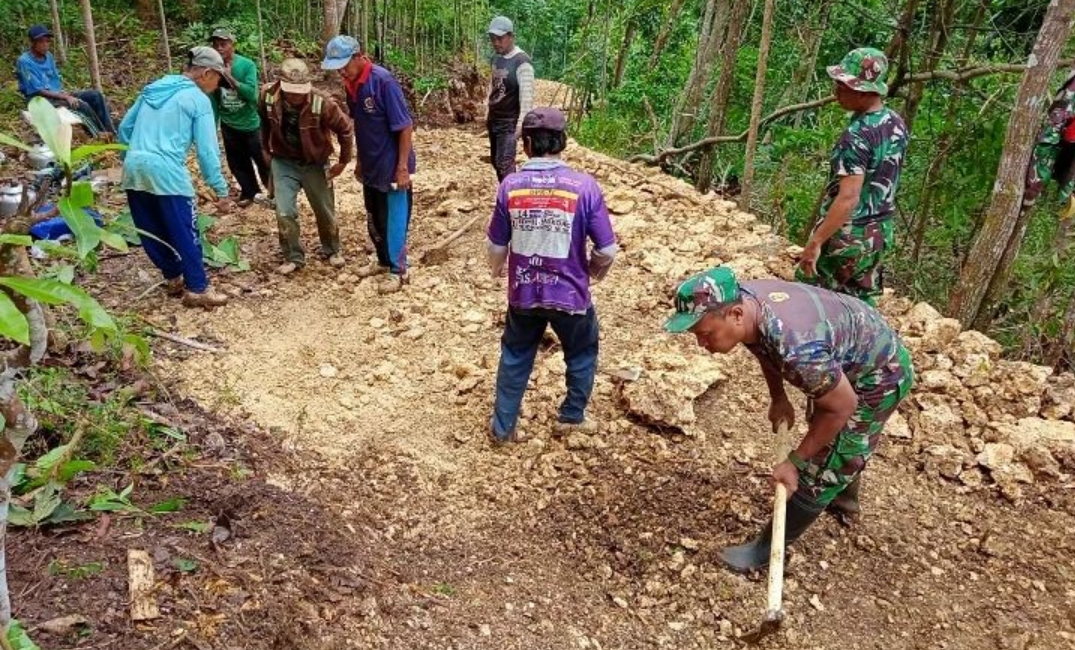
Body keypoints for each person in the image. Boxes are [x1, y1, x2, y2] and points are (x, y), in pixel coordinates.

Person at [664, 267, 914, 572]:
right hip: (846, 352)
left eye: (705, 334)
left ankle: (765, 550)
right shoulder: (746, 304)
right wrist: (779, 398)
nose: (701, 344)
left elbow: (842, 407)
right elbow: (764, 348)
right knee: (830, 431)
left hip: (879, 375)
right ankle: (843, 497)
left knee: (829, 454)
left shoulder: (797, 347)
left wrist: (795, 462)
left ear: (736, 315)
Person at [486, 107, 618, 443]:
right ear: (562, 142)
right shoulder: (584, 187)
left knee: (515, 355)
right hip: (570, 293)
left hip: (524, 292)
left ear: (526, 144)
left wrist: (497, 272)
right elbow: (607, 249)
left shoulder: (511, 186)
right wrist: (590, 272)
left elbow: (496, 244)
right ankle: (571, 417)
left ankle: (502, 429)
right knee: (582, 351)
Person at [118, 46, 234, 309]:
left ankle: (173, 276)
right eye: (218, 79)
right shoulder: (197, 100)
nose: (217, 86)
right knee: (185, 230)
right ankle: (197, 288)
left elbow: (125, 128)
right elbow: (207, 151)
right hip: (168, 172)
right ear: (206, 73)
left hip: (135, 167)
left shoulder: (154, 88)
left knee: (151, 229)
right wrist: (220, 189)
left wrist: (134, 157)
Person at [796, 48, 908, 307]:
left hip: (850, 234)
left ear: (864, 91)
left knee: (812, 300)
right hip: (880, 231)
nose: (837, 91)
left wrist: (816, 241)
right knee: (862, 302)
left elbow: (848, 198)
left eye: (843, 86)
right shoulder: (895, 123)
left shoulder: (856, 137)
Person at [321, 35, 416, 293]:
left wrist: (402, 167)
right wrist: (359, 161)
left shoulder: (382, 82)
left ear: (358, 56)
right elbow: (360, 125)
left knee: (395, 218)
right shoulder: (351, 84)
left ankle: (399, 271)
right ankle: (383, 261)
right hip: (371, 162)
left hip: (393, 163)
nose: (341, 71)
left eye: (344, 64)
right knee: (374, 215)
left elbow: (404, 126)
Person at [259, 58, 354, 275]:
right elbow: (263, 123)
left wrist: (343, 161)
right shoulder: (267, 96)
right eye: (291, 91)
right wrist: (265, 151)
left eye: (299, 91)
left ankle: (332, 249)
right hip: (283, 161)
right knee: (284, 211)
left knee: (324, 210)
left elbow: (345, 130)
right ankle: (293, 256)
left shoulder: (323, 103)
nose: (296, 96)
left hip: (315, 163)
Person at [15, 24, 116, 138]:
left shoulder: (48, 56)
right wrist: (65, 97)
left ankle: (110, 131)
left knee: (95, 95)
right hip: (38, 100)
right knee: (81, 105)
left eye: (47, 41)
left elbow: (55, 81)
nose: (45, 45)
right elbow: (37, 90)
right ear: (33, 43)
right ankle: (97, 134)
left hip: (55, 95)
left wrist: (64, 94)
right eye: (41, 41)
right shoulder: (24, 61)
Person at [209, 27, 270, 208]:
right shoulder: (213, 70)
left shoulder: (246, 65)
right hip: (229, 124)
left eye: (223, 44)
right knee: (237, 162)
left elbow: (252, 94)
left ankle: (273, 192)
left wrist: (231, 78)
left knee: (262, 160)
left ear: (232, 45)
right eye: (215, 45)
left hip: (251, 123)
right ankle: (250, 192)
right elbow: (214, 98)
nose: (219, 48)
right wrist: (213, 124)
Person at [486, 16, 534, 183]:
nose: (496, 42)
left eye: (500, 38)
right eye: (493, 39)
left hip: (509, 122)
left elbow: (527, 98)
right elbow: (492, 87)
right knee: (496, 162)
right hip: (494, 120)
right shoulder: (495, 58)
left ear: (511, 37)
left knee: (504, 163)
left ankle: (512, 199)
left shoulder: (522, 62)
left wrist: (520, 127)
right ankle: (507, 196)